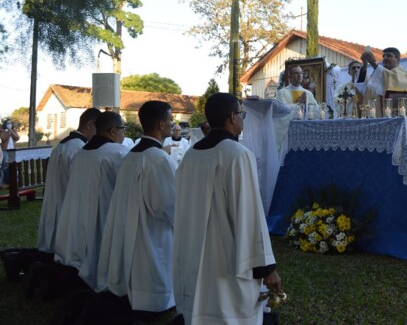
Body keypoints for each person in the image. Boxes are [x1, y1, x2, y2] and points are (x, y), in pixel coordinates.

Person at [172, 93, 281, 325]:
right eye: (241, 115)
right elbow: (250, 214)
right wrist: (266, 268)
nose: (242, 121)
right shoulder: (238, 154)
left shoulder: (191, 155)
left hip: (192, 250)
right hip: (226, 254)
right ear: (232, 117)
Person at [97, 101, 176, 315]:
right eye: (170, 119)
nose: (173, 123)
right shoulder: (158, 159)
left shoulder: (131, 155)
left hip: (130, 224)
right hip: (151, 230)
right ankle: (155, 302)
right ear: (161, 124)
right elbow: (169, 205)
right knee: (153, 264)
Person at [54, 111, 129, 289]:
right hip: (103, 211)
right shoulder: (117, 152)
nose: (124, 134)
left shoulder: (81, 153)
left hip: (76, 213)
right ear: (112, 131)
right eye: (122, 129)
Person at [37, 108, 101, 254]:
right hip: (69, 201)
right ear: (90, 125)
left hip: (56, 197)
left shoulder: (62, 144)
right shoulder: (80, 148)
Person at [356, 47, 407, 117]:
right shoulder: (378, 74)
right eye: (383, 56)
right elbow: (361, 87)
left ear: (397, 58)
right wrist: (364, 65)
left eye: (388, 56)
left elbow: (391, 80)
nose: (385, 58)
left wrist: (373, 63)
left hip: (393, 118)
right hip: (375, 118)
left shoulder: (405, 74)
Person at [1, 118, 20, 183]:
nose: (10, 124)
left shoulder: (14, 130)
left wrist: (11, 131)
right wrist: (8, 131)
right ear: (5, 124)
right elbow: (3, 138)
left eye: (10, 123)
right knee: (5, 165)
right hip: (5, 150)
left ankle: (14, 179)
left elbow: (17, 138)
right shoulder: (2, 131)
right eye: (8, 123)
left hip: (13, 150)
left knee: (13, 164)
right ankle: (6, 181)